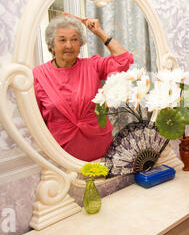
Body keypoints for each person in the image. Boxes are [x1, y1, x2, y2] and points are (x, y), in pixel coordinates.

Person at [33, 14, 134, 162]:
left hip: (101, 148)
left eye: (74, 39)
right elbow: (37, 120)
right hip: (62, 153)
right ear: (51, 45)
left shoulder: (92, 65)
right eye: (62, 40)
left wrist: (99, 32)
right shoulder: (38, 75)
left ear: (80, 44)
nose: (69, 45)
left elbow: (124, 60)